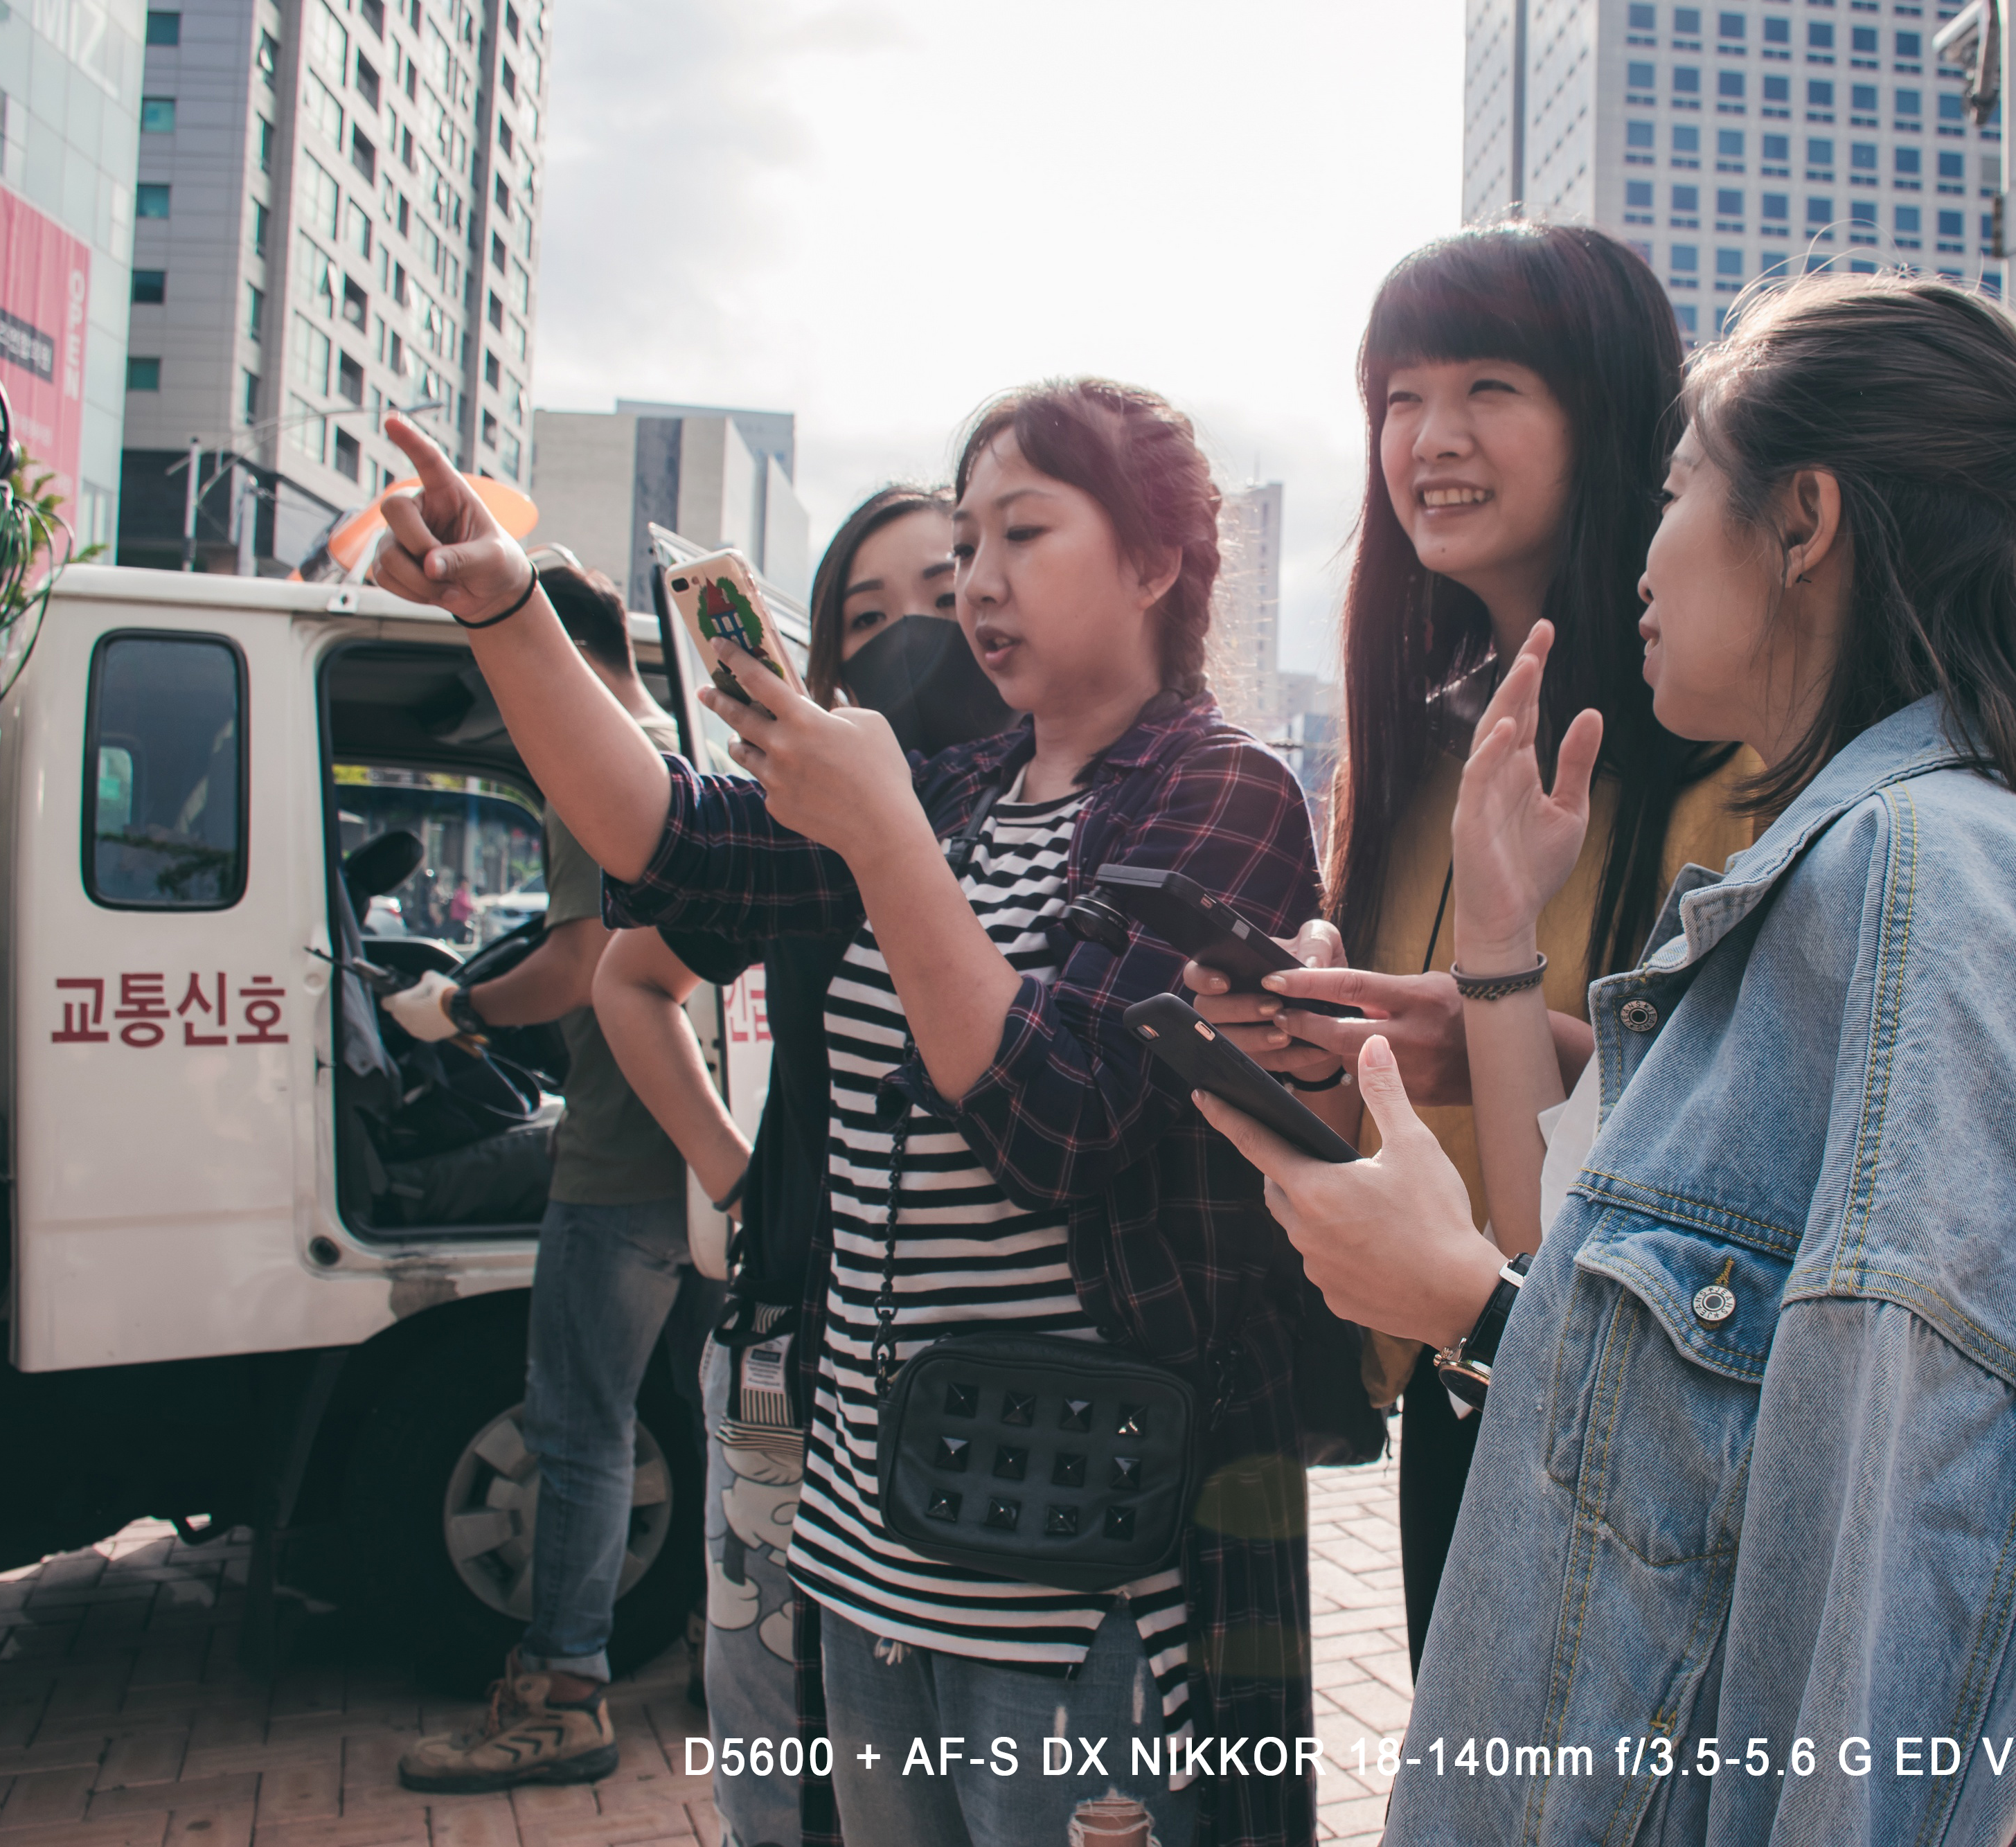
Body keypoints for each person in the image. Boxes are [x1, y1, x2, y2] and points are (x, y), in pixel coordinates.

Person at [1201, 270, 2016, 1841]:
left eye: (1679, 489)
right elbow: (1716, 1363)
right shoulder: (1868, 858)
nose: (1645, 549)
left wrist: (1469, 1309)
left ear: (1802, 521)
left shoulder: (1917, 881)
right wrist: (1504, 964)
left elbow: (1892, 1566)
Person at [364, 382, 1328, 1847]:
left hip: (1080, 1578)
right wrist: (504, 610)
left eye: (1022, 534)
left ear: (1155, 559)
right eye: (969, 541)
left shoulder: (1220, 791)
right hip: (868, 1544)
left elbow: (1060, 1121)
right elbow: (666, 836)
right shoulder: (954, 789)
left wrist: (882, 833)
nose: (981, 583)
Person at [1186, 222, 1763, 1671]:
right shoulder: (1406, 755)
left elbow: (1749, 1135)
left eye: (1488, 387)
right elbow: (1369, 1127)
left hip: (1647, 1407)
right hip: (1456, 1387)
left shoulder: (1732, 756)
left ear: (1610, 416)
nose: (1429, 439)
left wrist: (1497, 1033)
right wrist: (1308, 1036)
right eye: (1400, 397)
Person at [590, 484, 999, 1847]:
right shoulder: (801, 830)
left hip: (984, 1371)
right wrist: (729, 1173)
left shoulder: (1061, 814)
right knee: (780, 1714)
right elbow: (629, 979)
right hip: (788, 1337)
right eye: (866, 618)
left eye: (942, 594)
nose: (913, 637)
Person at [391, 563, 726, 1793]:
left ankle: (564, 1694)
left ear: (560, 648)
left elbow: (582, 966)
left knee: (581, 1432)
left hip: (620, 1160)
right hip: (704, 1161)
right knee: (712, 1424)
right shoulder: (693, 756)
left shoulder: (593, 764)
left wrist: (456, 1010)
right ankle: (722, 1649)